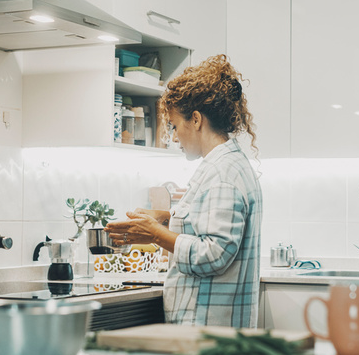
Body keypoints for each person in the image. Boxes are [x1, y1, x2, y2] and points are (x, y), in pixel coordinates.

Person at [105, 54, 262, 328]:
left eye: (176, 126)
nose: (174, 136)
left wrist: (155, 234)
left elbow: (214, 254)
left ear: (197, 120)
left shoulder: (222, 173)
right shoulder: (226, 165)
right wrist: (166, 218)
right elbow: (209, 223)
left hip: (207, 329)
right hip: (212, 327)